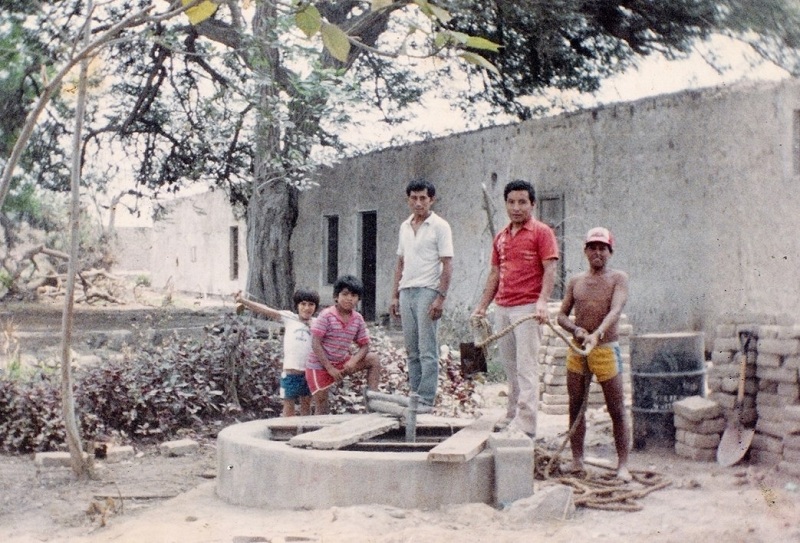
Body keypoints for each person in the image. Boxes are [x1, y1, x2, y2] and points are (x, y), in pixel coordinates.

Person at [471, 179, 559, 438]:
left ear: (533, 204)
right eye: (511, 202)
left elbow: (550, 268)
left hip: (528, 309)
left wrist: (542, 301)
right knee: (510, 368)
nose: (516, 207)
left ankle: (527, 426)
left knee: (526, 368)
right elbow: (495, 273)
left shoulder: (542, 232)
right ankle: (512, 416)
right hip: (503, 308)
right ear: (506, 205)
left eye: (522, 202)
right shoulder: (501, 237)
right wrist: (481, 306)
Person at [556, 227, 631, 481]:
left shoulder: (618, 278)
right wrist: (577, 329)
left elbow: (616, 309)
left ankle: (622, 465)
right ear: (586, 251)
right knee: (576, 406)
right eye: (593, 247)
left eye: (603, 248)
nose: (597, 253)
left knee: (616, 408)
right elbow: (561, 315)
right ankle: (577, 460)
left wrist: (597, 333)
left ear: (610, 252)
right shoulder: (576, 281)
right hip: (578, 349)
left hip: (605, 349)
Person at [390, 179, 454, 408]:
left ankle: (426, 398)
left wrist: (440, 297)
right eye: (414, 198)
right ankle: (414, 396)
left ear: (431, 200)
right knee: (411, 349)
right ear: (408, 199)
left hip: (428, 291)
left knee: (428, 349)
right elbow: (400, 262)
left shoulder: (440, 226)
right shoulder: (404, 226)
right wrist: (395, 295)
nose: (418, 203)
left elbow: (447, 264)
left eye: (423, 198)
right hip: (406, 290)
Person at [235, 288, 319, 417]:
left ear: (315, 307)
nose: (307, 308)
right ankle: (287, 433)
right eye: (303, 304)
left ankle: (304, 434)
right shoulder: (289, 318)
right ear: (297, 305)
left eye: (311, 304)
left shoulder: (317, 323)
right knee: (288, 408)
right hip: (291, 373)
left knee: (306, 407)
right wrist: (243, 300)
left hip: (308, 373)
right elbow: (265, 309)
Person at [306, 275, 382, 414]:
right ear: (336, 296)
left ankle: (373, 404)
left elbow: (364, 345)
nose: (349, 298)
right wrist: (329, 368)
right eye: (345, 294)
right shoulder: (326, 315)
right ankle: (319, 434)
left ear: (358, 299)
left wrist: (354, 360)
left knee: (373, 359)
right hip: (320, 366)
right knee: (322, 407)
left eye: (353, 295)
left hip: (341, 363)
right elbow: (315, 343)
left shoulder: (357, 318)